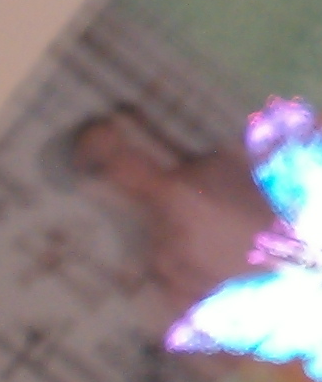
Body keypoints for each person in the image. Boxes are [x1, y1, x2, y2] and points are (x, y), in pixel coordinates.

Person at [53, 106, 271, 332]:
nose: (129, 158)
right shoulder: (168, 266)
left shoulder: (236, 161)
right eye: (108, 162)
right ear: (101, 186)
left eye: (125, 141)